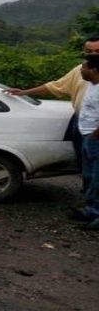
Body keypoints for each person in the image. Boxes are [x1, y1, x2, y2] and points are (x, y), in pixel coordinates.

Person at [7, 37, 99, 192]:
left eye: (97, 51)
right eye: (89, 51)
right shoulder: (81, 70)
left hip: (96, 128)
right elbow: (56, 86)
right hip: (80, 121)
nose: (93, 54)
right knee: (85, 163)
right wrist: (24, 93)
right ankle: (89, 199)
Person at [73, 54, 99, 230]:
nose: (81, 70)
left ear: (94, 70)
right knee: (89, 176)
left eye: (83, 67)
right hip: (88, 136)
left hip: (95, 138)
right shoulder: (92, 86)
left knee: (97, 179)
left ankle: (96, 215)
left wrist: (95, 135)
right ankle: (90, 210)